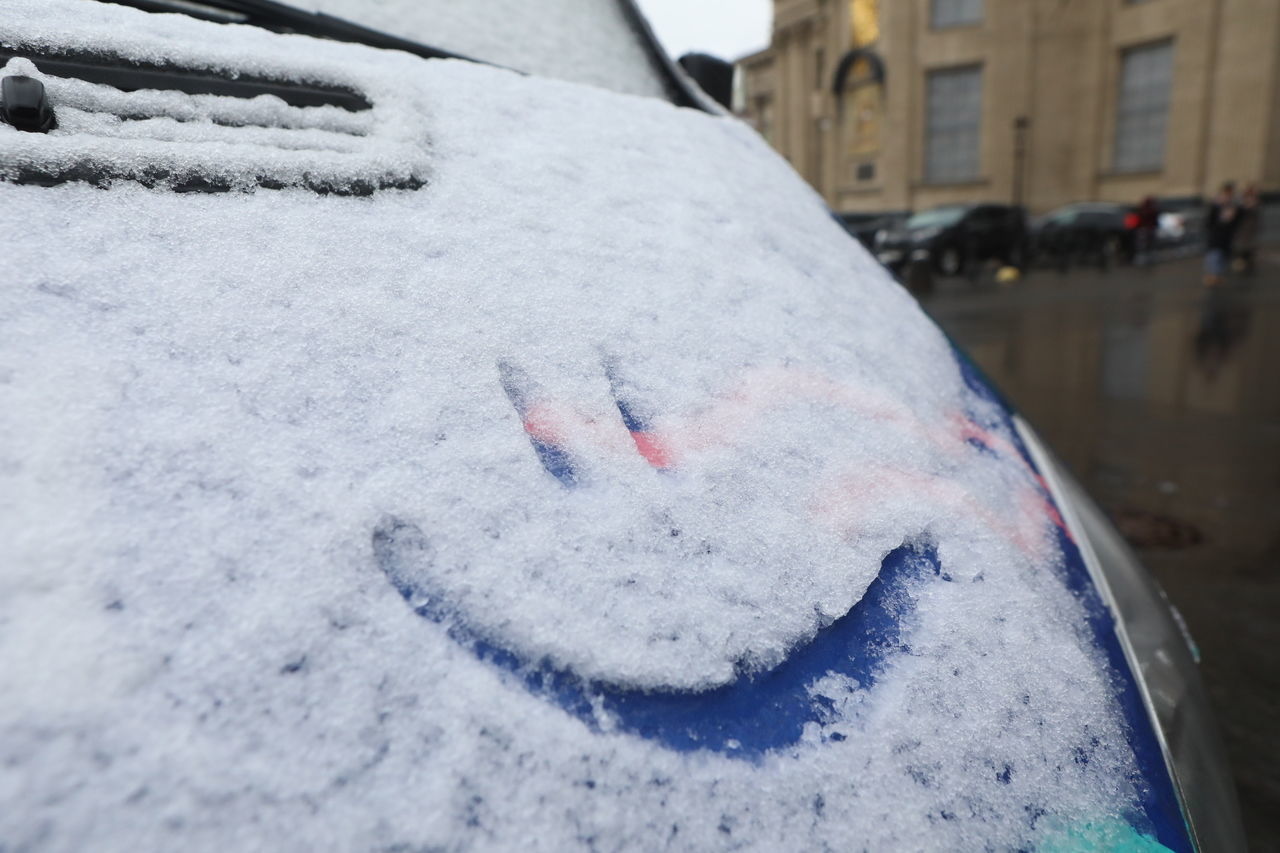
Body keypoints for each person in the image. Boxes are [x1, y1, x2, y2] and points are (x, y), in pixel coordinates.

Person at [1203, 182, 1238, 287]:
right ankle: (1212, 276)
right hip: (1216, 236)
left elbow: (1235, 221)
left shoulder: (1231, 206)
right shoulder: (1216, 205)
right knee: (1214, 256)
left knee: (1222, 257)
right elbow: (1209, 221)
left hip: (1225, 237)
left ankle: (1217, 276)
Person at [1233, 183, 1262, 275]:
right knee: (1242, 244)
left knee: (1249, 245)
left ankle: (1248, 261)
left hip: (1250, 228)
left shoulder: (1256, 202)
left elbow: (1256, 213)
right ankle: (1241, 261)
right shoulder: (1242, 202)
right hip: (1243, 227)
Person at [1134, 196, 1159, 266]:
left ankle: (1148, 258)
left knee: (1147, 244)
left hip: (1147, 229)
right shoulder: (1148, 210)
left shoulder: (1147, 209)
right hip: (1146, 229)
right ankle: (1146, 258)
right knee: (1145, 244)